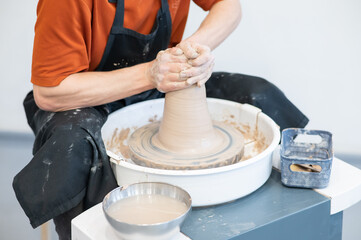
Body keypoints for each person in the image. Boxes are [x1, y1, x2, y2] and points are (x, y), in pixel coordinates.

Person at [13, 0, 308, 239]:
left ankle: (299, 182)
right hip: (81, 98)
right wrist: (149, 73)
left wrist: (187, 52)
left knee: (258, 94)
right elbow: (50, 93)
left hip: (160, 82)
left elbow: (229, 5)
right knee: (74, 144)